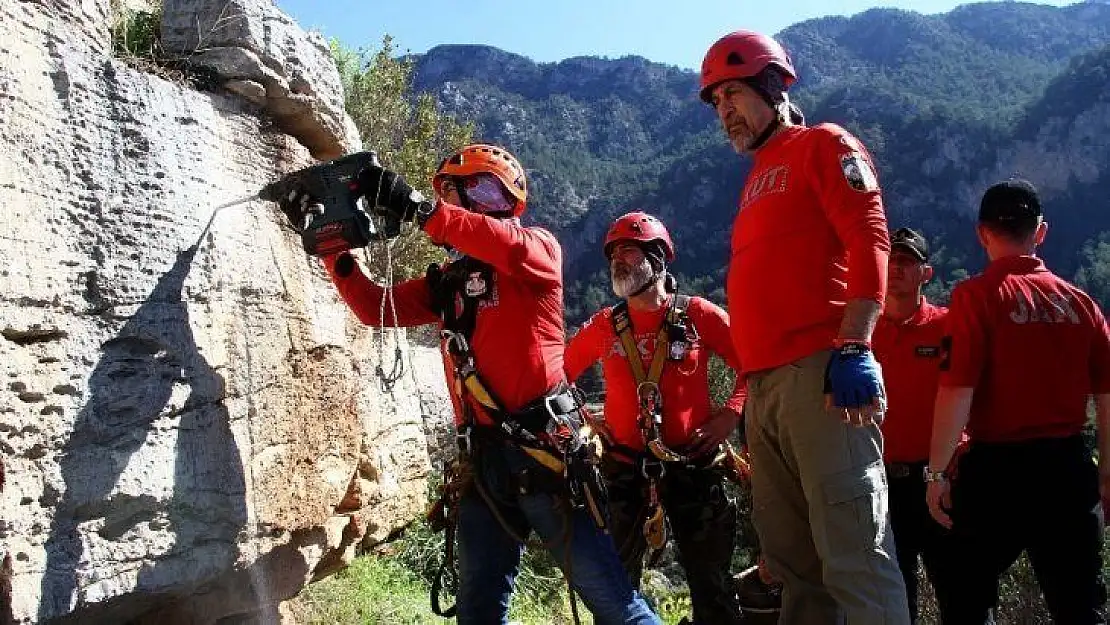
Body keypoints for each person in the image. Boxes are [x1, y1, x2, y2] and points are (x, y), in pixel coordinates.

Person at [278, 144, 661, 625]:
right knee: (478, 612)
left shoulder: (537, 250)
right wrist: (334, 249)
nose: (463, 201)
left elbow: (499, 243)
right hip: (485, 467)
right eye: (457, 191)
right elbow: (373, 306)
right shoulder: (448, 284)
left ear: (507, 199)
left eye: (477, 187)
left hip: (546, 457)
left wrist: (416, 206)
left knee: (613, 603)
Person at [699, 29, 910, 623]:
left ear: (773, 84)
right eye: (716, 102)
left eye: (732, 93)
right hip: (765, 391)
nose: (724, 112)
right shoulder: (755, 178)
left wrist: (855, 343)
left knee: (855, 559)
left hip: (825, 379)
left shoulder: (823, 144)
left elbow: (869, 236)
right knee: (793, 569)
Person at [926, 178, 1110, 624]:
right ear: (1040, 232)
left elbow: (956, 391)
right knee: (1080, 606)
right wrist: (1106, 475)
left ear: (981, 232)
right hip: (1067, 467)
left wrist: (936, 473)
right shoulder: (1081, 303)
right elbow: (1107, 397)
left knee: (967, 598)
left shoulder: (975, 297)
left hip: (997, 472)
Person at [564, 211, 747, 625]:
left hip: (693, 466)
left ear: (659, 259)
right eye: (613, 256)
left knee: (711, 582)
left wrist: (730, 416)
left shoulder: (698, 315)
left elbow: (751, 365)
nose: (618, 263)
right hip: (624, 467)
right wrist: (583, 418)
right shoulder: (605, 326)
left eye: (629, 252)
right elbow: (558, 374)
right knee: (616, 584)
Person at [872, 227, 959, 621]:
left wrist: (957, 460)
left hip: (938, 480)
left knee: (960, 591)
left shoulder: (948, 328)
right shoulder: (862, 332)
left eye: (906, 262)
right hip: (880, 484)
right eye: (890, 260)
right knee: (894, 595)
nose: (896, 269)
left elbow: (973, 397)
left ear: (926, 273)